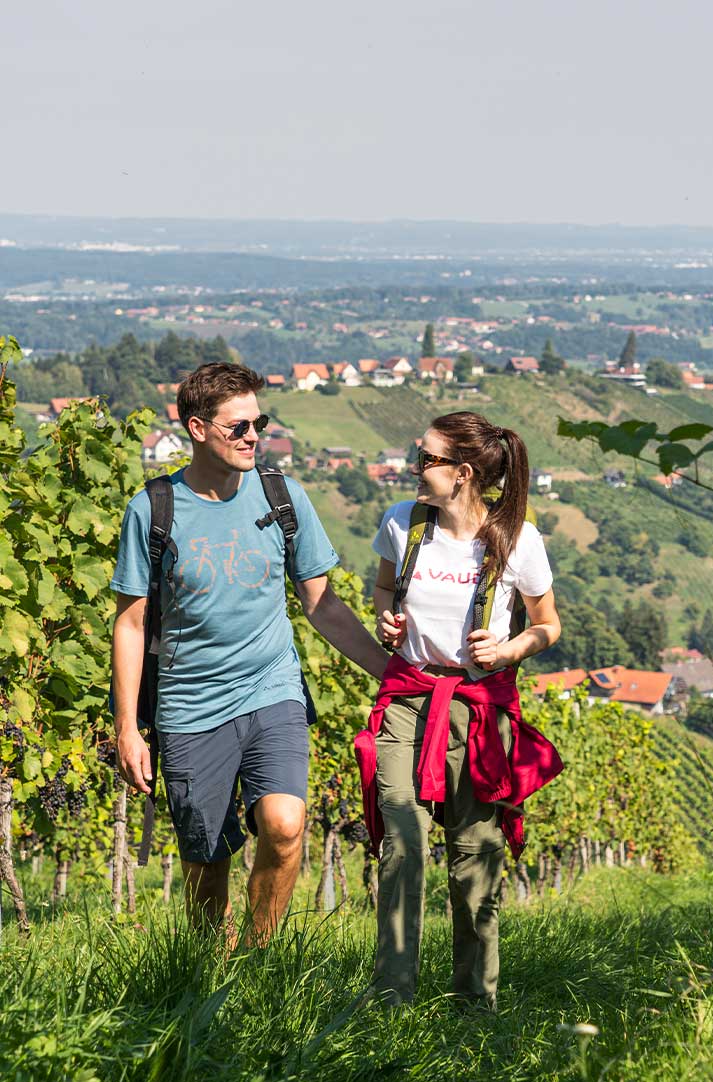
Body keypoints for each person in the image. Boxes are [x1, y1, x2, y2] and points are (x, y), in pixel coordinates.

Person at [111, 361, 390, 942]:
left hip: (272, 688)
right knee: (207, 864)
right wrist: (127, 729)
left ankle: (258, 958)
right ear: (196, 428)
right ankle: (212, 974)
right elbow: (132, 624)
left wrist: (394, 675)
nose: (252, 436)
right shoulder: (154, 510)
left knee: (285, 826)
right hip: (188, 705)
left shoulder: (283, 498)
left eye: (257, 423)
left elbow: (323, 605)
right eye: (237, 426)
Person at [356, 411, 563, 1009]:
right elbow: (383, 588)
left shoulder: (517, 538)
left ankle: (475, 1002)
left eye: (427, 459)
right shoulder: (403, 523)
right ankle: (392, 995)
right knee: (402, 841)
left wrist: (508, 648)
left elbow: (548, 625)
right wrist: (385, 618)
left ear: (463, 474)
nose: (415, 468)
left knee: (475, 860)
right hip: (409, 701)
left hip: (477, 711)